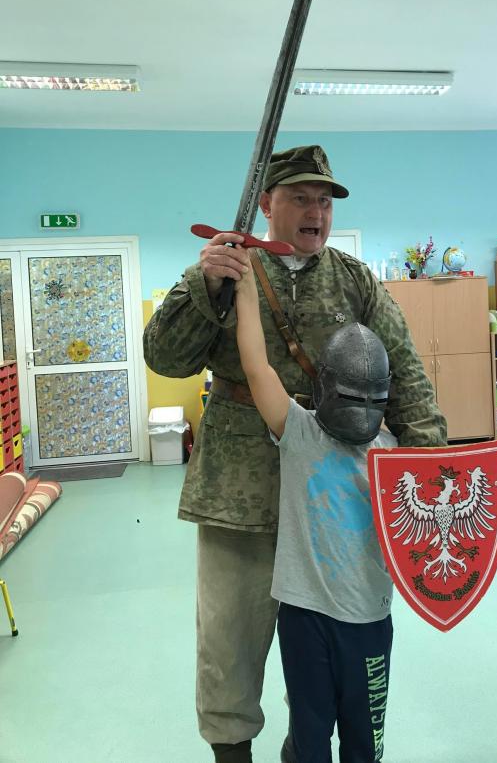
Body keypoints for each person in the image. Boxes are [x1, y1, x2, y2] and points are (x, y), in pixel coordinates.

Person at [143, 144, 447, 763]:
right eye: (301, 198)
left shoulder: (355, 280)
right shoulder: (229, 270)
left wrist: (429, 467)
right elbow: (164, 357)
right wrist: (205, 284)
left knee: (320, 644)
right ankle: (232, 751)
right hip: (241, 491)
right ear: (266, 204)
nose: (316, 212)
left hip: (333, 500)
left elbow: (406, 374)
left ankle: (302, 746)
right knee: (229, 640)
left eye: (325, 201)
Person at [235, 250, 395, 762]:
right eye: (352, 396)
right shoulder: (300, 433)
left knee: (365, 744)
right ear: (325, 387)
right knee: (309, 738)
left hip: (369, 617)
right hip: (305, 616)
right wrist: (244, 283)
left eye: (372, 399)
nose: (362, 409)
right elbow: (256, 365)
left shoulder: (394, 456)